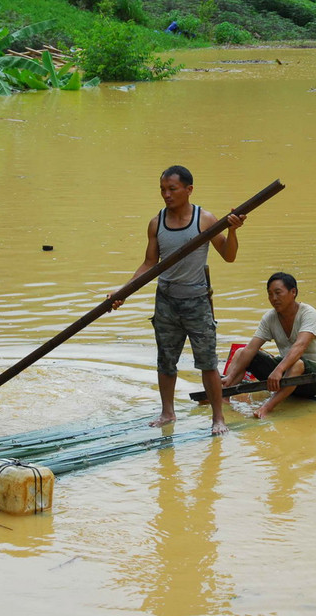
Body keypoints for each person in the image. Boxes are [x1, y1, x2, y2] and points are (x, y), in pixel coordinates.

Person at [110, 165, 246, 435]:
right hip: (166, 301)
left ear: (189, 190)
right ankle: (167, 413)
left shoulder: (205, 220)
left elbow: (229, 256)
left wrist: (232, 231)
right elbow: (149, 263)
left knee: (207, 362)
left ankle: (218, 418)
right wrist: (123, 292)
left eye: (172, 189)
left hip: (196, 300)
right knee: (166, 360)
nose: (166, 195)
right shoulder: (156, 223)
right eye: (162, 190)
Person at [220, 272, 316, 418]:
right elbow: (251, 348)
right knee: (241, 353)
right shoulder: (270, 318)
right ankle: (224, 396)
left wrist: (278, 370)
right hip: (285, 374)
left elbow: (300, 346)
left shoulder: (309, 314)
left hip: (313, 379)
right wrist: (230, 376)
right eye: (270, 294)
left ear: (293, 292)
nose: (274, 298)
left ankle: (266, 408)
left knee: (297, 364)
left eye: (278, 293)